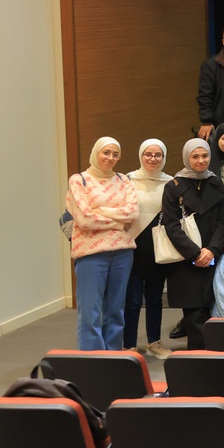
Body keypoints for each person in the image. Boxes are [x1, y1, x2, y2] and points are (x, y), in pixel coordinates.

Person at [67, 137, 138, 351]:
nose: (110, 158)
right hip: (91, 254)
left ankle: (113, 356)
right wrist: (119, 222)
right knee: (90, 312)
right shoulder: (79, 180)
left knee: (116, 310)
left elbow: (132, 213)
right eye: (106, 152)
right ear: (96, 152)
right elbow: (84, 219)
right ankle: (92, 359)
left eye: (115, 154)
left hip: (123, 253)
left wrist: (100, 212)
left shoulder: (124, 180)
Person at [162, 139, 224, 348]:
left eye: (205, 156)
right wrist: (195, 253)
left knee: (213, 305)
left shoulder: (216, 182)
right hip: (186, 257)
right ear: (186, 158)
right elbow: (171, 226)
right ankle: (198, 354)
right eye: (195, 156)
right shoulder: (173, 186)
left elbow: (223, 220)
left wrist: (212, 250)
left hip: (212, 253)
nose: (201, 160)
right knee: (193, 310)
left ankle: (214, 351)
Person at [125, 140, 171, 358]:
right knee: (133, 300)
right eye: (148, 154)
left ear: (164, 157)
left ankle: (154, 341)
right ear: (140, 155)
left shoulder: (171, 182)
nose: (153, 159)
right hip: (132, 247)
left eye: (158, 155)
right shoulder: (128, 180)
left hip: (157, 249)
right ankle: (129, 345)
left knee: (154, 299)